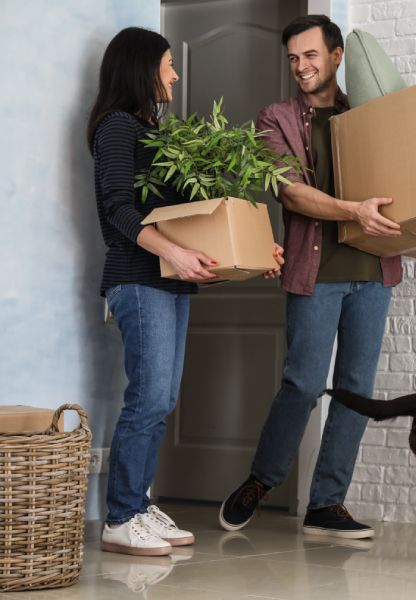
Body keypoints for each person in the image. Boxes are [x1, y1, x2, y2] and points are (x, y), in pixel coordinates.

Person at [218, 15, 416, 538]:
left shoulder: (375, 116)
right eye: (293, 58)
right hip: (316, 274)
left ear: (336, 56)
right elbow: (290, 191)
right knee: (304, 384)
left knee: (357, 389)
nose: (301, 67)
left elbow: (405, 198)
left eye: (310, 55)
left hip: (374, 275)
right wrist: (353, 209)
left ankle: (326, 504)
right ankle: (262, 480)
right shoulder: (277, 118)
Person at [88, 27, 283, 556]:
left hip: (167, 284)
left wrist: (252, 255)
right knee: (147, 398)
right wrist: (171, 253)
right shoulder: (116, 128)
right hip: (136, 278)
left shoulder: (155, 133)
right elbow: (118, 209)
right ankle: (121, 517)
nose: (175, 74)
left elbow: (188, 222)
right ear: (142, 68)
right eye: (169, 63)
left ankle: (137, 503)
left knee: (163, 398)